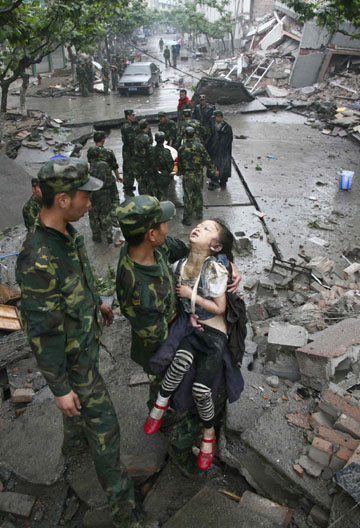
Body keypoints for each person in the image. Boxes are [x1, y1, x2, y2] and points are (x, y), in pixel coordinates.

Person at [15, 158, 152, 528]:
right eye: (84, 196)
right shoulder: (37, 259)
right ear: (62, 200)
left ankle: (73, 445)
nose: (90, 202)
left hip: (83, 344)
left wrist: (98, 305)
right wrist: (59, 388)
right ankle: (125, 513)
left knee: (77, 417)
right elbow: (42, 332)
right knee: (107, 430)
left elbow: (75, 283)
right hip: (73, 363)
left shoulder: (66, 235)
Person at [115, 195, 242, 476]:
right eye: (162, 224)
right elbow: (159, 338)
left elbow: (193, 250)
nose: (168, 228)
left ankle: (162, 408)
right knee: (203, 391)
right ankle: (182, 447)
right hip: (163, 342)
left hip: (182, 328)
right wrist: (192, 324)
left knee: (169, 385)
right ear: (151, 234)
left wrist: (227, 263)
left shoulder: (149, 247)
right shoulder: (141, 288)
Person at [144, 219, 238, 471]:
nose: (198, 227)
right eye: (200, 225)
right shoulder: (177, 262)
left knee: (202, 389)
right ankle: (161, 410)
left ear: (216, 245)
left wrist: (229, 264)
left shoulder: (216, 267)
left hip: (211, 336)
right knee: (174, 369)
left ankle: (207, 436)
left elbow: (219, 306)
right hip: (185, 329)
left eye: (207, 229)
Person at [87, 131, 124, 247]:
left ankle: (96, 235)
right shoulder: (106, 161)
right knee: (106, 213)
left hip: (92, 192)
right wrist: (117, 178)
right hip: (104, 192)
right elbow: (113, 169)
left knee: (93, 214)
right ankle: (109, 235)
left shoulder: (88, 166)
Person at [178, 127, 218, 226]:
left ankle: (187, 218)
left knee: (188, 196)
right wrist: (213, 169)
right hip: (198, 174)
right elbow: (207, 158)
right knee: (198, 194)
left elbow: (179, 163)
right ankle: (199, 213)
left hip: (188, 175)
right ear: (194, 135)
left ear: (185, 135)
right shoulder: (200, 146)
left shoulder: (182, 148)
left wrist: (180, 172)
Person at [207, 110, 233, 190]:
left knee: (224, 169)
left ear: (220, 117)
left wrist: (224, 148)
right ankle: (214, 181)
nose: (215, 119)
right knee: (214, 167)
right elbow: (208, 138)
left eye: (217, 117)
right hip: (214, 151)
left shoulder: (227, 128)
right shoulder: (212, 127)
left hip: (224, 152)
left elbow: (229, 140)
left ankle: (223, 182)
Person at [148, 131, 175, 200]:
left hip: (152, 175)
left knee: (153, 196)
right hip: (163, 176)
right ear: (164, 140)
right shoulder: (166, 152)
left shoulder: (150, 150)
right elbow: (170, 166)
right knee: (163, 195)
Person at [121, 109, 139, 197]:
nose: (133, 116)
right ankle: (128, 188)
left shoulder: (127, 126)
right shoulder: (127, 127)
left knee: (127, 169)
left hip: (127, 150)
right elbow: (131, 141)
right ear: (128, 116)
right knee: (129, 170)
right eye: (132, 115)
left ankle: (128, 187)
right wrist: (135, 153)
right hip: (129, 152)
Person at [133, 119, 153, 195]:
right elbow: (149, 152)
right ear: (147, 126)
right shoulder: (145, 137)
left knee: (141, 184)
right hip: (144, 164)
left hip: (137, 164)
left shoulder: (137, 137)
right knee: (147, 184)